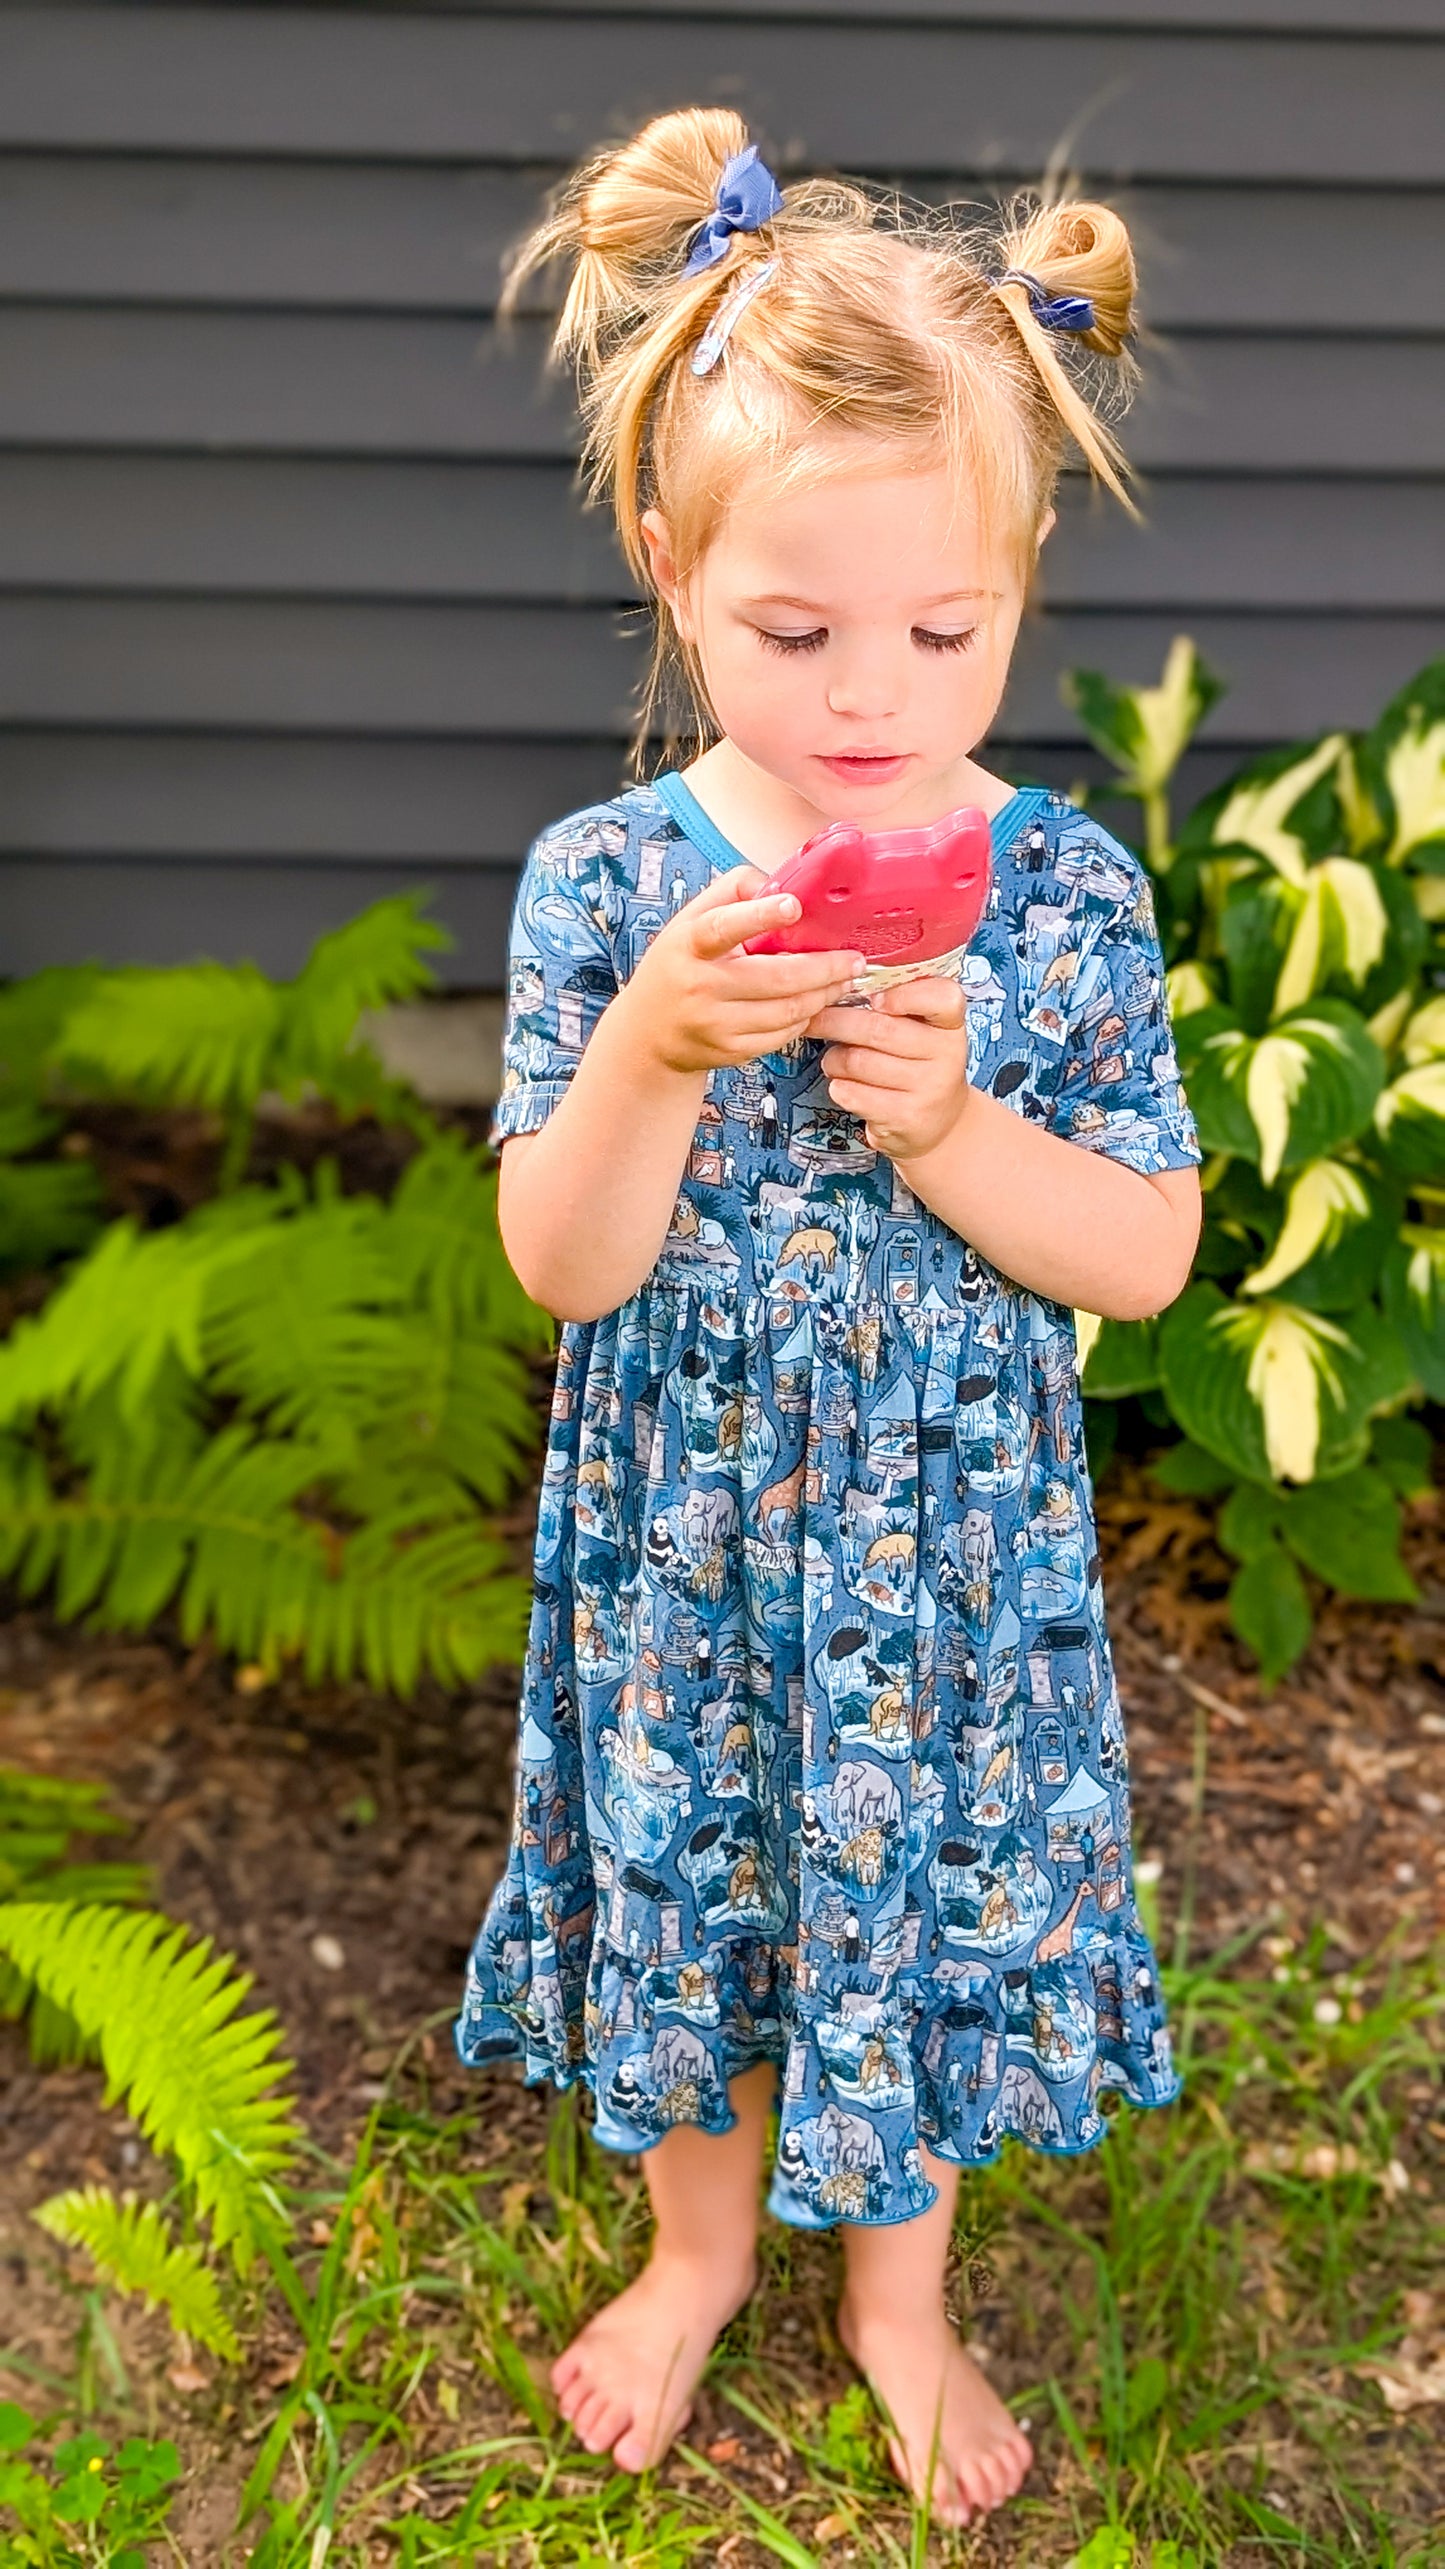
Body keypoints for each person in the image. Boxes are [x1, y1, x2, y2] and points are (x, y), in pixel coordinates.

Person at [452, 106, 1203, 2532]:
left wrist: (956, 1131)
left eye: (943, 630)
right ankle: (692, 2254)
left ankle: (899, 2292)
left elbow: (1149, 1255)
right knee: (699, 1879)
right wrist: (658, 1050)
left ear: (1020, 577)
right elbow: (558, 1264)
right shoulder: (604, 891)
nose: (873, 694)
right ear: (676, 574)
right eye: (793, 635)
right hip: (683, 1537)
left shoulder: (1066, 898)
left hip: (941, 1544)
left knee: (906, 1897)